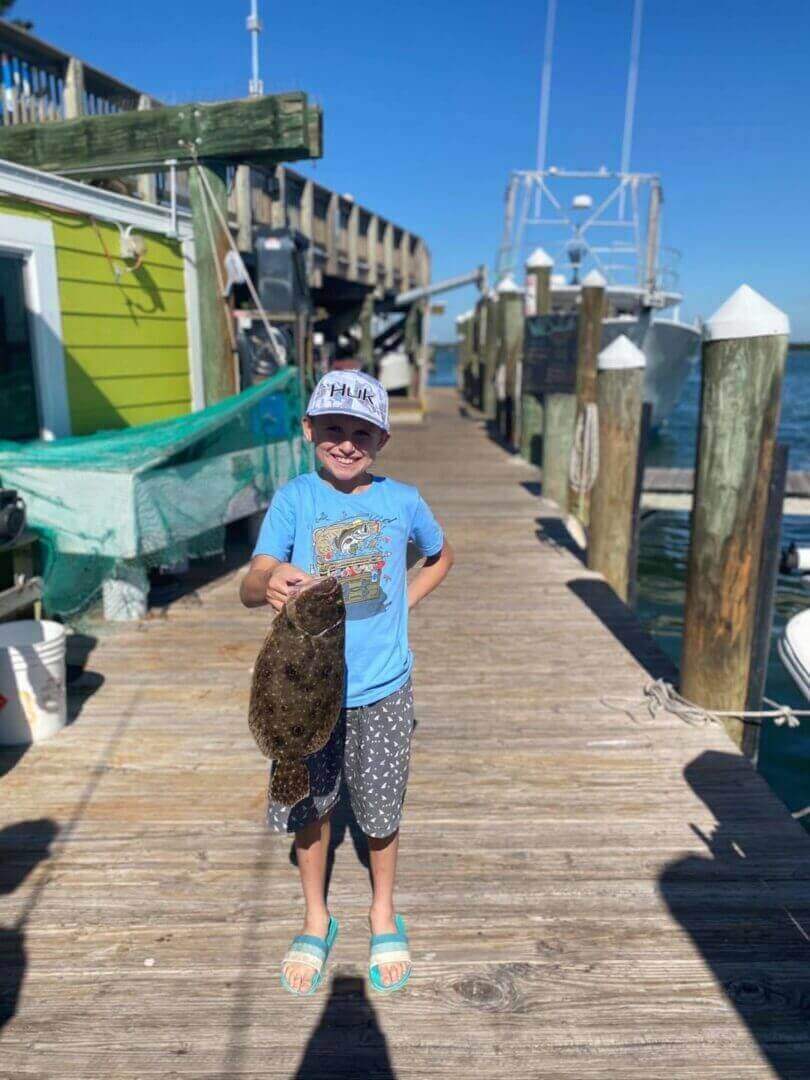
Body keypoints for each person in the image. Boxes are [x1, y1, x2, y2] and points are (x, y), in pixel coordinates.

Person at [239, 367, 454, 997]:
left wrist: (404, 602)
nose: (346, 442)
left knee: (381, 811)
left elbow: (440, 556)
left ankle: (381, 910)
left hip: (383, 688)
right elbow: (251, 584)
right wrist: (267, 583)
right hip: (305, 688)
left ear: (381, 438)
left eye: (361, 431)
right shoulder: (295, 500)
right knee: (310, 806)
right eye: (332, 428)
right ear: (310, 430)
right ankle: (316, 915)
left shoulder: (403, 501)